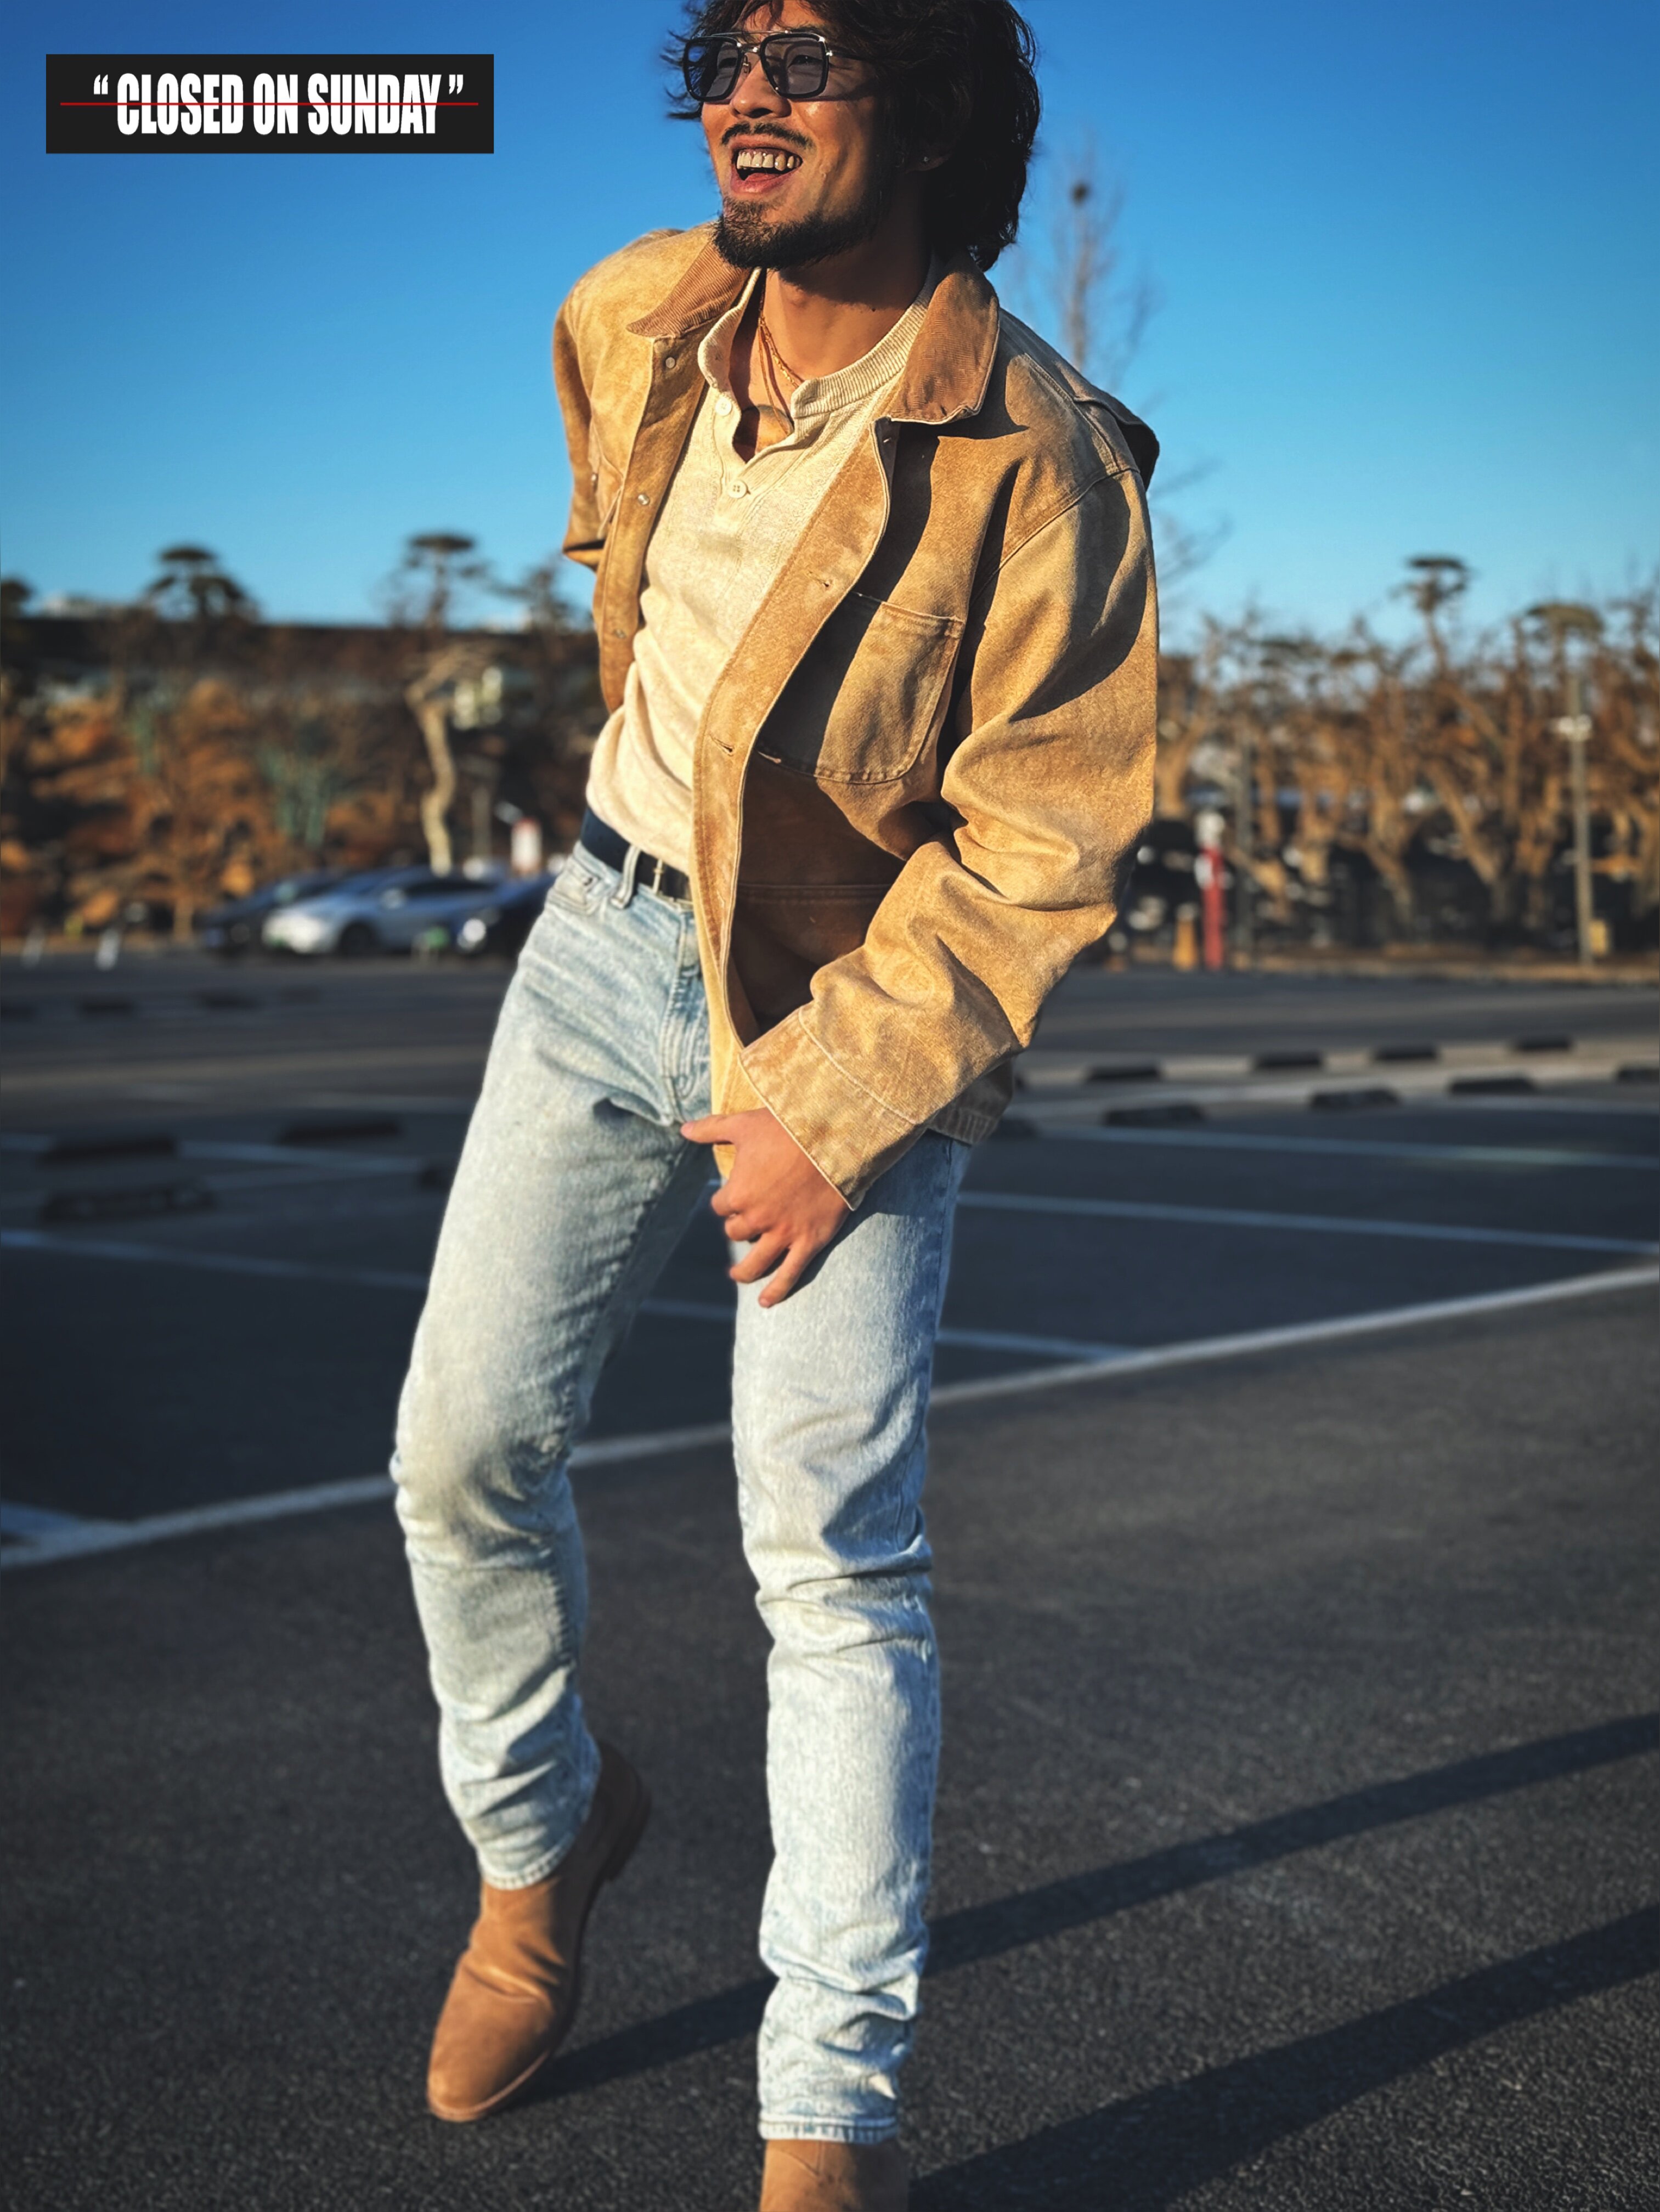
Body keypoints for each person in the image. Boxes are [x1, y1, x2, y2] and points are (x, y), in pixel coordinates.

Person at [391, 1, 1158, 2202]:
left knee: (832, 1565)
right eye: (729, 51)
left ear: (929, 108)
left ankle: (826, 2116)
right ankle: (544, 1841)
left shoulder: (1042, 456)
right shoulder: (647, 314)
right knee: (459, 1453)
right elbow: (605, 469)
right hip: (592, 943)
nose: (748, 88)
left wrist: (837, 1095)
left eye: (809, 60)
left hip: (841, 1002)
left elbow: (1046, 841)